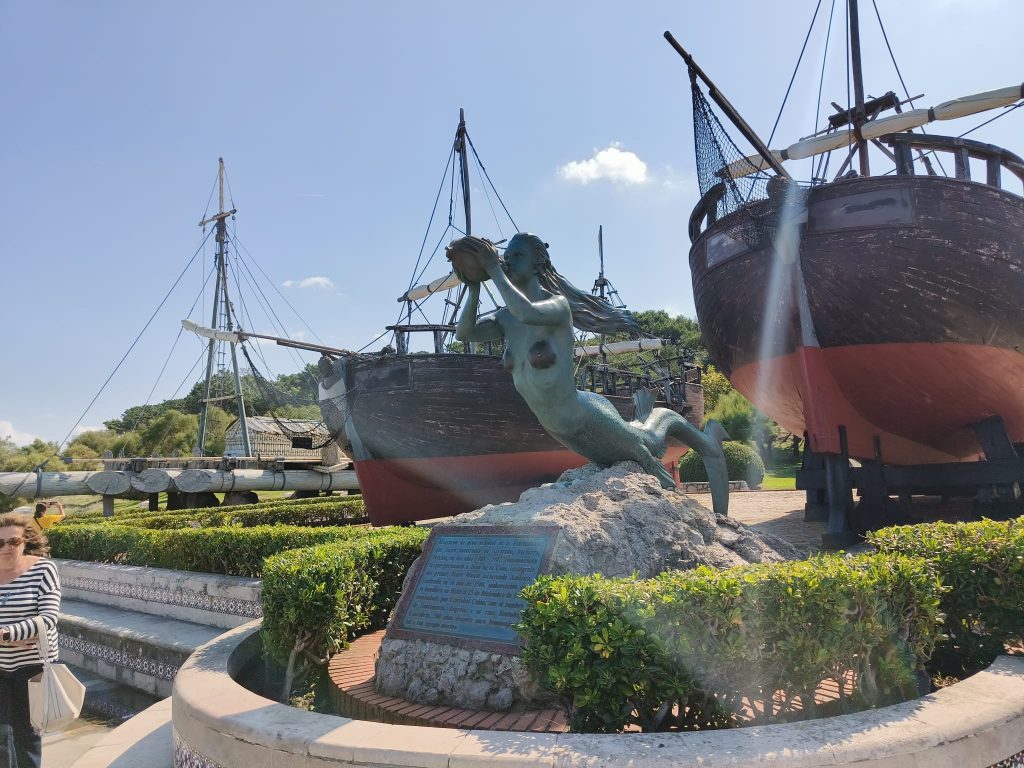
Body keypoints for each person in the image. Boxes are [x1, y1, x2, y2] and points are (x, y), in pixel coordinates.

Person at [451, 233, 730, 515]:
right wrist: (473, 287)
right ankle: (663, 430)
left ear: (537, 265)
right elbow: (465, 333)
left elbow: (526, 312)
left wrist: (494, 269)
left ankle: (708, 444)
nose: (508, 262)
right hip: (556, 426)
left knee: (647, 442)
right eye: (505, 257)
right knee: (621, 452)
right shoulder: (504, 318)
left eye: (517, 256)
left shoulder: (556, 306)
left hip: (582, 415)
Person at [0, 513, 62, 768]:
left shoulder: (43, 570)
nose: (6, 548)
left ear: (26, 540)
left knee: (27, 736)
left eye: (13, 541)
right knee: (1, 739)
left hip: (32, 668)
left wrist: (4, 635)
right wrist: (10, 639)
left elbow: (48, 619)